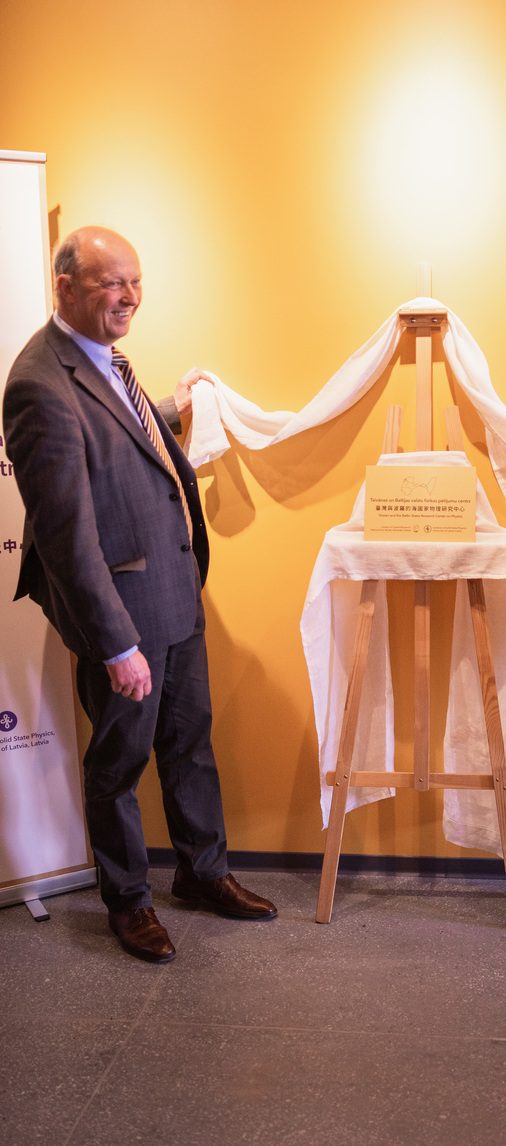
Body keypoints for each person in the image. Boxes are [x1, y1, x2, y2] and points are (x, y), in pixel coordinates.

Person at [3, 226, 277, 964]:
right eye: (110, 283)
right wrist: (116, 642)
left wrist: (170, 407)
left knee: (190, 746)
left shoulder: (104, 359)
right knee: (119, 764)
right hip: (124, 615)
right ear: (65, 287)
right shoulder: (36, 382)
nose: (129, 297)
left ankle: (202, 871)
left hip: (175, 593)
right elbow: (65, 535)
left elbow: (112, 438)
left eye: (135, 281)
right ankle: (128, 902)